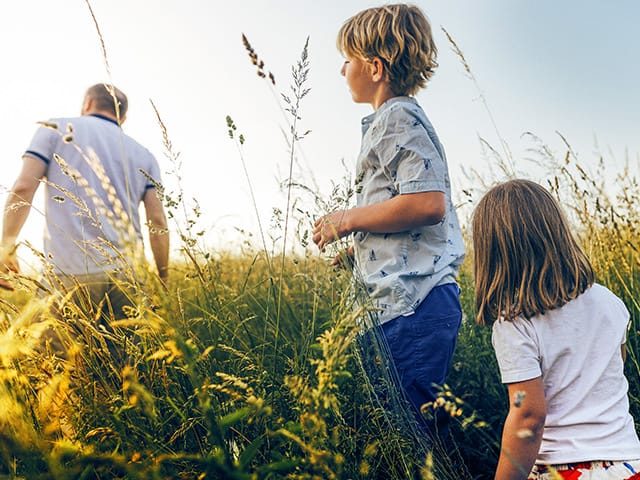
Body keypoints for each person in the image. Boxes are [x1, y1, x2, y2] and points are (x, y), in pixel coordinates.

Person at [312, 4, 465, 435]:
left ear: (375, 67)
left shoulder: (398, 117)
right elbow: (401, 211)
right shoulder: (388, 122)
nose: (342, 70)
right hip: (398, 304)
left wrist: (348, 219)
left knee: (409, 434)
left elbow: (427, 202)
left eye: (348, 59)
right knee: (405, 426)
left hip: (412, 304)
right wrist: (359, 252)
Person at [473, 179, 640, 480]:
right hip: (627, 464)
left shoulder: (515, 324)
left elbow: (528, 415)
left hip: (564, 469)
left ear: (495, 253)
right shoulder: (609, 302)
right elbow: (615, 367)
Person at [0, 83, 169, 327]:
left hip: (69, 273)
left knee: (60, 361)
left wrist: (6, 247)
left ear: (87, 104)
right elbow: (157, 221)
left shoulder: (54, 129)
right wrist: (162, 281)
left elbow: (23, 187)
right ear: (123, 116)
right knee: (124, 363)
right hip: (130, 276)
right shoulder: (144, 155)